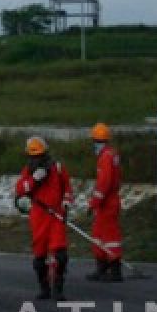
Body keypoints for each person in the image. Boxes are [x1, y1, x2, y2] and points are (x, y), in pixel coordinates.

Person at [14, 136, 73, 300]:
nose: (36, 159)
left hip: (56, 216)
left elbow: (67, 189)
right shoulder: (28, 171)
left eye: (39, 156)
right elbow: (20, 190)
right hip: (38, 217)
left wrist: (66, 204)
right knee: (39, 257)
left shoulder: (58, 169)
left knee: (60, 254)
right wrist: (33, 180)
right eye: (33, 157)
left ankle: (58, 288)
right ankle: (44, 286)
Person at [86, 122, 124, 282]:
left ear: (96, 140)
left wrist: (94, 202)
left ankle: (114, 270)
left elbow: (104, 182)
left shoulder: (105, 158)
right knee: (98, 235)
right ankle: (102, 267)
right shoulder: (110, 154)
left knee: (109, 237)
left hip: (107, 203)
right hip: (107, 202)